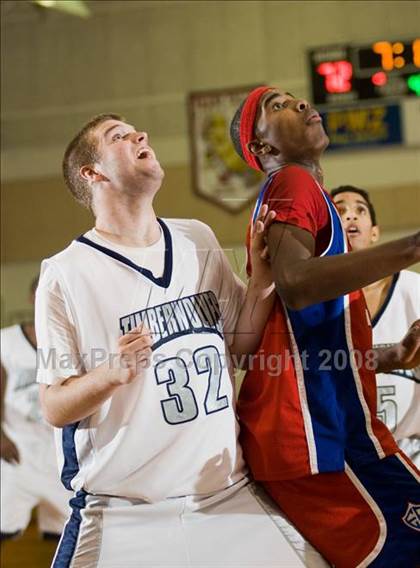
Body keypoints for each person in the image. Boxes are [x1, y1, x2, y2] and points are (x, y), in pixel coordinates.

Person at [35, 113, 327, 567]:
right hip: (124, 511)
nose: (140, 135)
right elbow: (54, 406)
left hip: (226, 495)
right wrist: (109, 375)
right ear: (92, 174)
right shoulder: (65, 273)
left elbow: (240, 345)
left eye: (136, 130)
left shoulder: (196, 237)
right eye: (119, 136)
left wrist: (262, 283)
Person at [229, 86, 420, 568]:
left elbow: (303, 345)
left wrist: (393, 355)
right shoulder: (292, 182)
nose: (297, 103)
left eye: (294, 97)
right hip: (312, 434)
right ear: (262, 148)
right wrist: (411, 247)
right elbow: (295, 284)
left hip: (325, 425)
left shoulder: (306, 194)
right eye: (277, 106)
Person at [331, 185, 420, 466]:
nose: (350, 216)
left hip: (411, 448)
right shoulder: (311, 302)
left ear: (374, 232)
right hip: (347, 456)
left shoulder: (413, 289)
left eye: (360, 210)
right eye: (339, 210)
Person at [1, 277, 70, 541]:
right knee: (4, 530)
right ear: (32, 298)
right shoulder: (6, 341)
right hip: (16, 453)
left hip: (58, 459)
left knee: (64, 537)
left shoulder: (70, 343)